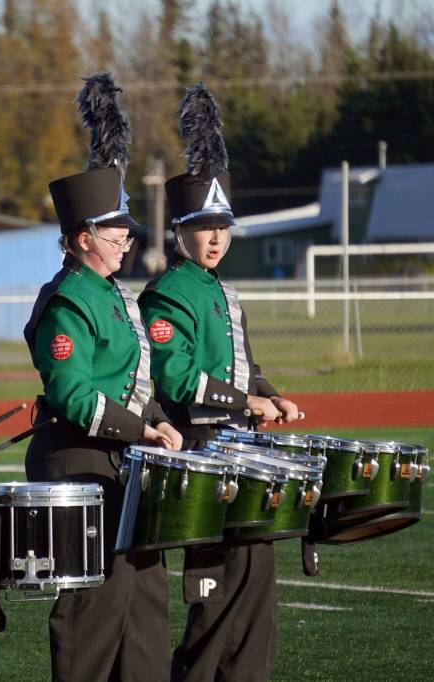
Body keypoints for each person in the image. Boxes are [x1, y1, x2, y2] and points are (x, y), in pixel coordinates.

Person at [137, 83, 303, 682]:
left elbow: (245, 368)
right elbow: (176, 376)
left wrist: (272, 395)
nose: (215, 238)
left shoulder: (224, 293)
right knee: (215, 607)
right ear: (179, 231)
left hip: (243, 456)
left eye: (223, 227)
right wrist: (244, 400)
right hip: (203, 461)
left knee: (257, 602)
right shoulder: (165, 293)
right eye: (203, 227)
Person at [22, 73, 182, 682]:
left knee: (145, 610)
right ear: (82, 238)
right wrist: (142, 430)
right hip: (80, 462)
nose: (126, 242)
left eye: (126, 233)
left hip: (123, 463)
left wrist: (161, 421)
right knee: (93, 615)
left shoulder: (115, 294)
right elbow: (72, 392)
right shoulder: (69, 299)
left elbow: (137, 382)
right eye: (114, 234)